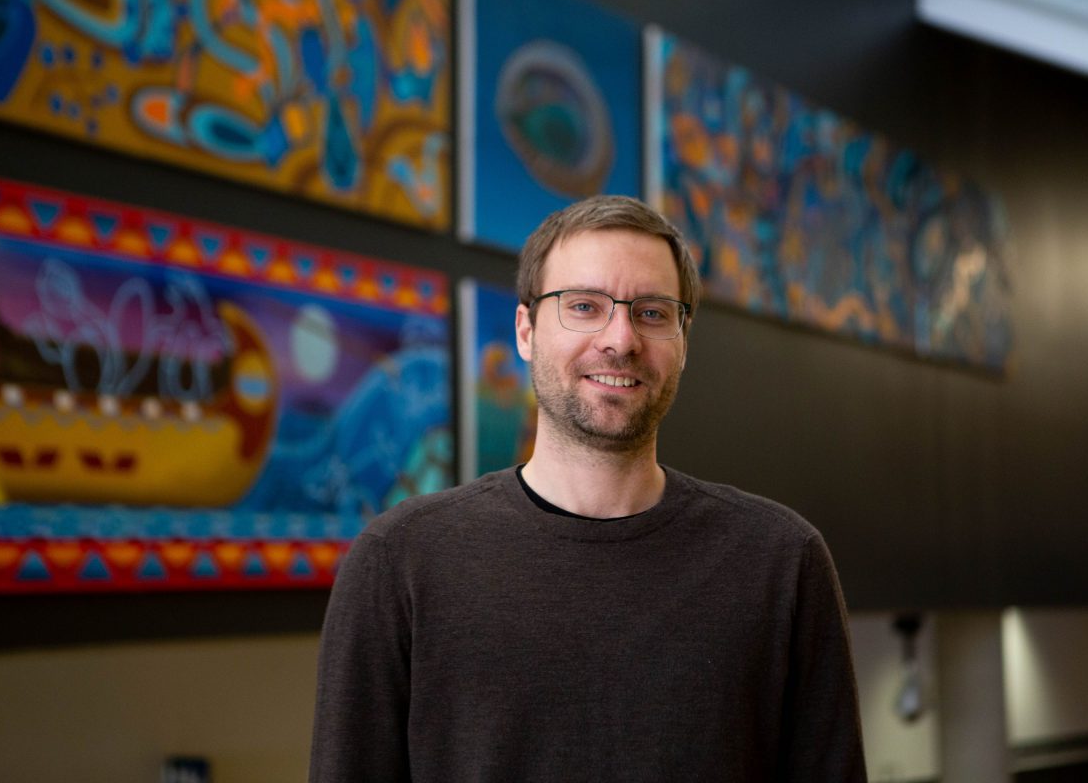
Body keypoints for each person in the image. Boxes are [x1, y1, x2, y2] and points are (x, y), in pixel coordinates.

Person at [309, 196, 867, 782]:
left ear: (683, 342)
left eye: (652, 313)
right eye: (583, 306)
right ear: (525, 331)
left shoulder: (781, 561)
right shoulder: (399, 562)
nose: (620, 340)